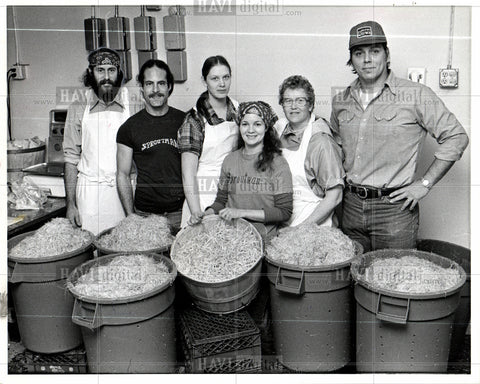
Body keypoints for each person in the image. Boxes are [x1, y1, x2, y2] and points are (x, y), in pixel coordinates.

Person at [330, 20, 469, 252]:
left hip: (394, 209)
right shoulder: (341, 101)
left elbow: (456, 136)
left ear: (386, 54)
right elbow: (336, 147)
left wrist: (425, 183)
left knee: (392, 280)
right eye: (358, 53)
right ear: (351, 60)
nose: (367, 59)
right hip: (350, 206)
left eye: (374, 51)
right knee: (353, 279)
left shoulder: (415, 95)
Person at [194, 101, 293, 240]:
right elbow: (220, 202)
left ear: (266, 128)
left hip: (263, 238)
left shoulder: (278, 163)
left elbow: (284, 212)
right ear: (239, 126)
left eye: (257, 124)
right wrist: (206, 214)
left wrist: (241, 213)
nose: (250, 130)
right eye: (245, 124)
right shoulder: (229, 160)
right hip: (231, 238)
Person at [63, 47, 135, 235]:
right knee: (92, 249)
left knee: (126, 248)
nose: (106, 77)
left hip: (125, 192)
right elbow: (71, 159)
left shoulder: (134, 104)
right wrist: (70, 204)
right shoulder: (78, 107)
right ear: (90, 73)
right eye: (100, 70)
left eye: (111, 70)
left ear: (119, 73)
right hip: (89, 193)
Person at [116, 59, 186, 233]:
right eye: (149, 84)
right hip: (145, 215)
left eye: (161, 83)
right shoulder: (129, 128)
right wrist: (131, 216)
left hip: (181, 212)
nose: (155, 90)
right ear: (142, 89)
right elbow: (122, 175)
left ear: (169, 86)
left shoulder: (186, 121)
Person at [274, 75, 344, 227]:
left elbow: (335, 196)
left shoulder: (321, 141)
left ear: (311, 105)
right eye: (288, 101)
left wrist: (302, 229)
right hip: (283, 218)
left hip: (313, 222)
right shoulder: (279, 129)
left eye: (300, 101)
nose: (294, 106)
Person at [177, 55, 239, 227]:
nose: (222, 84)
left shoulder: (238, 110)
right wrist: (196, 211)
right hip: (203, 193)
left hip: (232, 192)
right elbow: (188, 174)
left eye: (226, 77)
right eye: (215, 78)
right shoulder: (194, 120)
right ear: (204, 81)